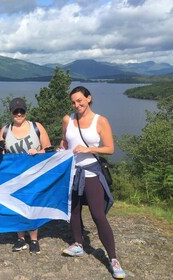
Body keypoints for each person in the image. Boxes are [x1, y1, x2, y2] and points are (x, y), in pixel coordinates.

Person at [59, 86, 126, 279]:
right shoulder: (68, 120)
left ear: (89, 98)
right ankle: (79, 244)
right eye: (73, 102)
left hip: (91, 173)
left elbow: (110, 149)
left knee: (98, 215)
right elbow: (65, 142)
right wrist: (60, 150)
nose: (76, 104)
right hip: (72, 172)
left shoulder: (100, 121)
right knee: (73, 210)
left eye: (80, 100)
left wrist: (88, 150)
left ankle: (113, 259)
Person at [0, 97, 52, 254]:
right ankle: (20, 238)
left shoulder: (36, 127)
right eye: (16, 111)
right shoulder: (5, 130)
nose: (19, 114)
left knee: (31, 206)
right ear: (10, 112)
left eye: (21, 111)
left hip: (34, 176)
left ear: (26, 112)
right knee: (16, 206)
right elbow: (1, 152)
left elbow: (49, 149)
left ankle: (34, 239)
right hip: (14, 177)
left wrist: (38, 152)